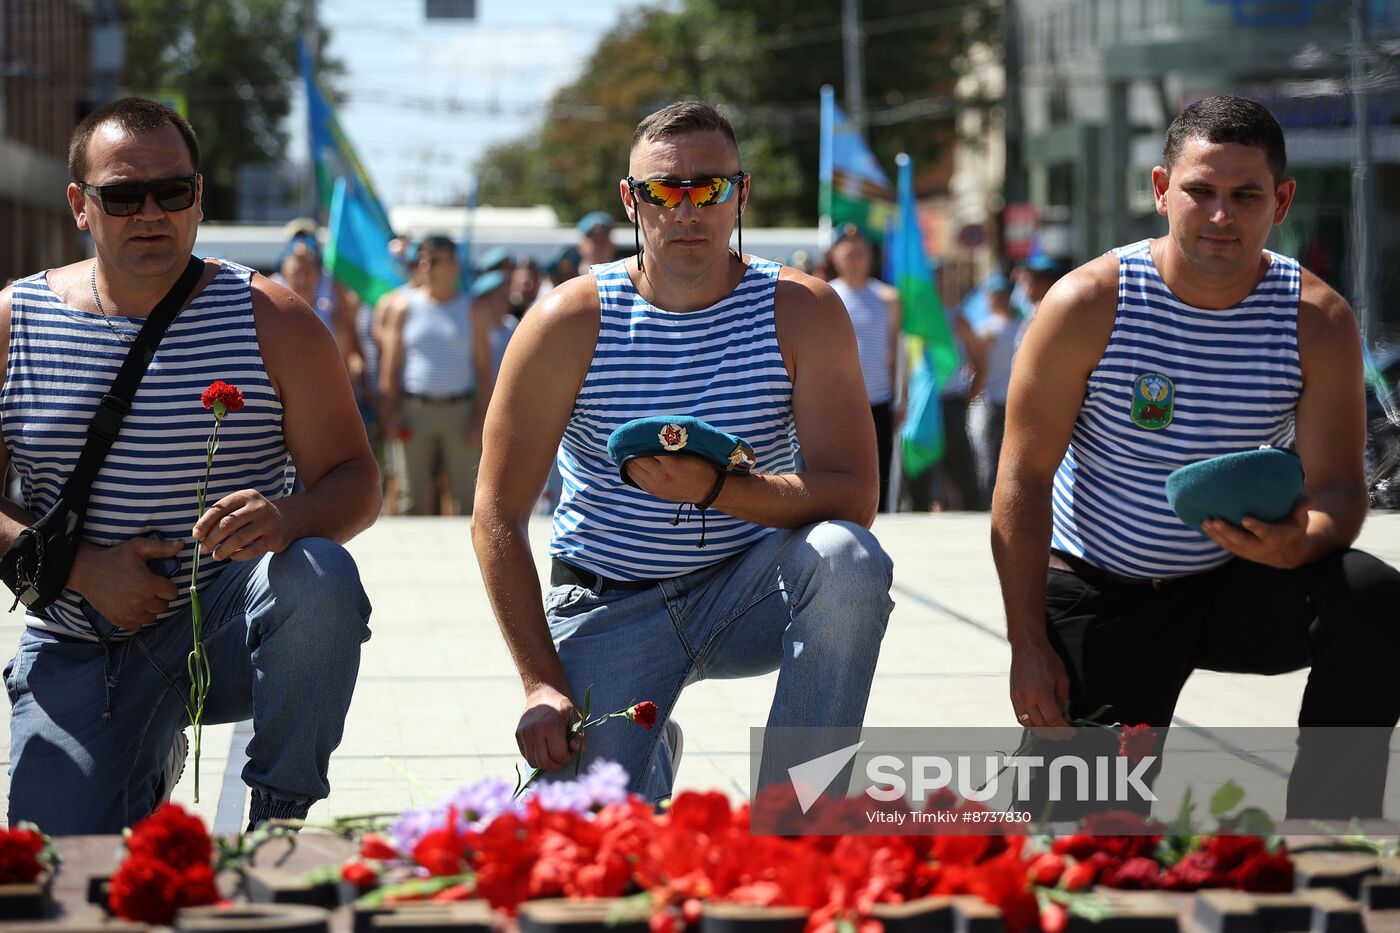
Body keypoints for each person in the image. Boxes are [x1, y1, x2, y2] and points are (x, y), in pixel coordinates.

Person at [473, 100, 894, 800]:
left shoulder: (801, 308)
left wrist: (715, 490)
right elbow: (495, 512)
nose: (687, 209)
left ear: (741, 195)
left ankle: (797, 813)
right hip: (610, 598)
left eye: (711, 188)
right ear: (630, 201)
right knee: (584, 839)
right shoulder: (569, 320)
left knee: (849, 561)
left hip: (748, 586)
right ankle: (645, 739)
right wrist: (540, 683)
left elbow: (854, 494)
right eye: (663, 190)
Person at [993, 95, 1400, 819]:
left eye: (1245, 195)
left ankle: (1331, 828)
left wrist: (1303, 538)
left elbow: (1340, 489)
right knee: (1083, 844)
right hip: (1103, 590)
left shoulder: (1317, 319)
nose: (1220, 215)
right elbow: (1023, 483)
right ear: (1160, 190)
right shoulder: (1088, 304)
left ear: (1281, 201)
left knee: (1377, 600)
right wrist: (1028, 645)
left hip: (1234, 584)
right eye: (1200, 191)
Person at [0, 97, 379, 833]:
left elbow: (358, 480)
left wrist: (289, 515)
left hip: (226, 629)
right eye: (122, 195)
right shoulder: (14, 323)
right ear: (80, 205)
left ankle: (277, 817)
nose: (151, 212)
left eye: (172, 191)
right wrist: (80, 570)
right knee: (57, 870)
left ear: (198, 197)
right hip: (81, 641)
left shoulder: (274, 318)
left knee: (321, 580)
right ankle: (143, 753)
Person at [379, 234, 493, 515]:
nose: (426, 267)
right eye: (423, 260)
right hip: (413, 410)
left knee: (468, 498)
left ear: (454, 265)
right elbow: (390, 366)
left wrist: (480, 419)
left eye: (435, 260)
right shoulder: (403, 306)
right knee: (410, 499)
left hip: (461, 411)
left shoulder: (473, 309)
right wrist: (390, 414)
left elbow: (484, 370)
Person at [827, 225, 904, 513]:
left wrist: (902, 396)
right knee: (839, 469)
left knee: (880, 467)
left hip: (879, 397)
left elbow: (896, 351)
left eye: (860, 252)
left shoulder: (888, 297)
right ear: (835, 256)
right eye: (848, 252)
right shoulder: (826, 294)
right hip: (839, 401)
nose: (854, 258)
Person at [973, 274, 1017, 501]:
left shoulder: (1020, 326)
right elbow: (974, 365)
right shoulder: (982, 329)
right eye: (993, 295)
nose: (997, 300)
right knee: (988, 454)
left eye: (1001, 295)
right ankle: (987, 500)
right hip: (990, 400)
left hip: (1014, 401)